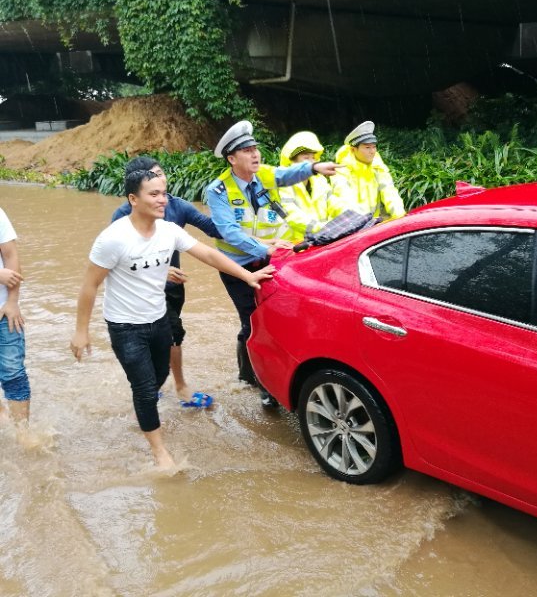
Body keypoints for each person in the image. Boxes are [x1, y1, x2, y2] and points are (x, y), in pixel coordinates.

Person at [71, 169, 274, 468]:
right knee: (143, 388)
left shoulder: (168, 230)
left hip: (159, 319)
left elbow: (207, 254)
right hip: (125, 326)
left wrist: (248, 274)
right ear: (133, 199)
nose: (162, 199)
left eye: (163, 193)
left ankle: (145, 410)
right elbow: (89, 285)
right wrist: (81, 331)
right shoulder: (113, 238)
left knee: (158, 379)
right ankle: (159, 451)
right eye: (153, 194)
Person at [206, 120, 340, 407]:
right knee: (253, 321)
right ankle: (254, 378)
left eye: (255, 148)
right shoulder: (217, 191)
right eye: (246, 150)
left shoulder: (265, 175)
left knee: (277, 318)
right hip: (238, 267)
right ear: (231, 158)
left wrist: (314, 168)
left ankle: (272, 376)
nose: (255, 154)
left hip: (273, 259)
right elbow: (229, 232)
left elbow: (288, 173)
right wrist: (264, 248)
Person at [111, 156, 221, 402]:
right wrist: (159, 271)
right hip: (141, 290)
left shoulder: (177, 206)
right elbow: (116, 264)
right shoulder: (122, 215)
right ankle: (179, 387)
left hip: (173, 287)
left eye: (161, 173)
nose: (161, 180)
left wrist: (246, 232)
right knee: (172, 333)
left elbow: (212, 229)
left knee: (165, 336)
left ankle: (154, 382)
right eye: (153, 176)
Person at [331, 120, 406, 220]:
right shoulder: (341, 171)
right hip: (347, 226)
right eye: (367, 147)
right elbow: (345, 201)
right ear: (353, 149)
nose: (372, 151)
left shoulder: (378, 167)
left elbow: (390, 192)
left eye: (374, 147)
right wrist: (363, 223)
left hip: (371, 225)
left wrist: (400, 217)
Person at [275, 131, 337, 242]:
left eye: (313, 157)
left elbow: (335, 202)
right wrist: (322, 228)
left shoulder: (320, 181)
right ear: (292, 161)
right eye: (306, 158)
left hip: (325, 239)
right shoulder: (284, 186)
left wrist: (342, 221)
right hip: (298, 245)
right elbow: (291, 215)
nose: (311, 161)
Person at [0, 207, 30, 428]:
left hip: (3, 309)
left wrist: (12, 302)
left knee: (14, 371)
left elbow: (11, 255)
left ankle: (23, 434)